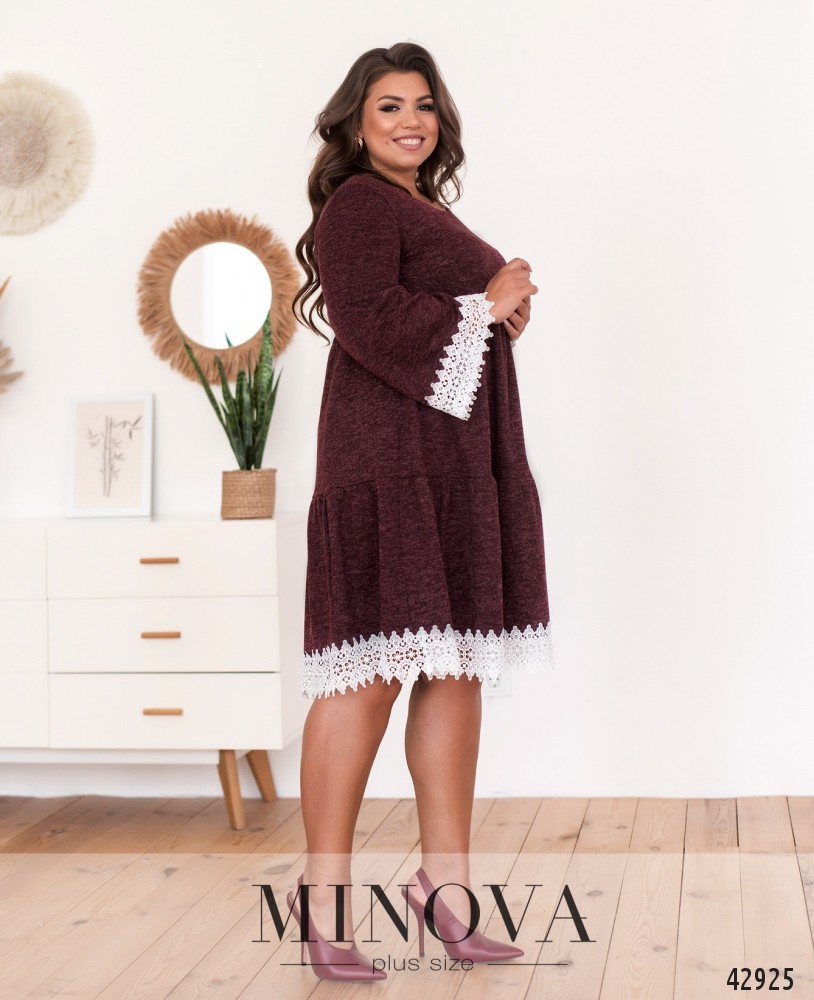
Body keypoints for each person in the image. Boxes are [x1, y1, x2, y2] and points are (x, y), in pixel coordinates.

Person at [290, 41, 553, 983]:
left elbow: (444, 313)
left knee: (455, 669)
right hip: (388, 460)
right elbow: (366, 317)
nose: (411, 121)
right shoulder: (360, 203)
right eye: (390, 106)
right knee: (368, 676)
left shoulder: (423, 206)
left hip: (453, 463)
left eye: (424, 105)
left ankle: (446, 890)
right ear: (356, 125)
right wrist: (485, 303)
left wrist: (499, 309)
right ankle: (324, 902)